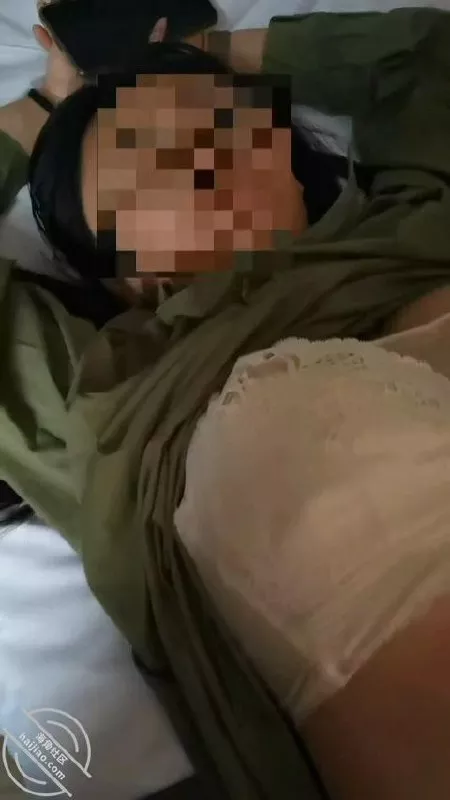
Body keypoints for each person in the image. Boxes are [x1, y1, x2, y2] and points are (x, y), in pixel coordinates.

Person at [1, 7, 450, 800]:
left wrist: (200, 49)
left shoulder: (414, 219)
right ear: (134, 276)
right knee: (269, 420)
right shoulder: (113, 407)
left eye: (215, 114)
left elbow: (429, 56)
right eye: (147, 164)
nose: (197, 146)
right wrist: (42, 106)